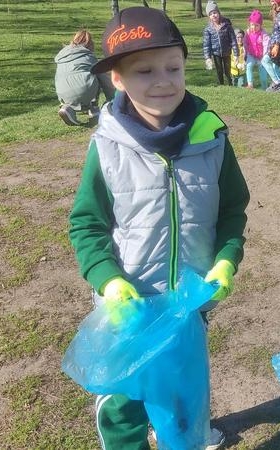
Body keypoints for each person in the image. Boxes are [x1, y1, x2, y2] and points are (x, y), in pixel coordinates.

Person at [68, 7, 249, 450]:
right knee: (125, 404)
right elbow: (86, 223)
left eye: (174, 67)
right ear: (118, 79)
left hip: (189, 303)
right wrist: (107, 280)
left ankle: (187, 436)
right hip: (128, 307)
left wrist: (225, 261)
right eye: (144, 71)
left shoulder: (212, 138)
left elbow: (233, 211)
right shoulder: (108, 147)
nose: (163, 80)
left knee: (183, 391)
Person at [54, 29, 115, 126]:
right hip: (84, 92)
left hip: (62, 92)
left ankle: (66, 107)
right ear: (89, 43)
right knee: (95, 75)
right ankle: (93, 109)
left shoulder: (61, 57)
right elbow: (104, 79)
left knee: (73, 78)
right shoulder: (89, 57)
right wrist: (111, 97)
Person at [203, 1, 239, 86]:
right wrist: (207, 57)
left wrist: (236, 54)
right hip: (216, 53)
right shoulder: (208, 29)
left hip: (227, 52)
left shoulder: (227, 25)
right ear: (209, 16)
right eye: (211, 14)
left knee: (227, 70)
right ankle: (221, 85)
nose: (214, 15)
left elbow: (233, 40)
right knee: (219, 70)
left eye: (215, 12)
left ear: (218, 13)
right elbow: (206, 45)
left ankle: (230, 84)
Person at [244, 9, 269, 90]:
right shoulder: (248, 32)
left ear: (260, 25)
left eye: (256, 25)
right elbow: (245, 43)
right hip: (251, 54)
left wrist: (264, 55)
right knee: (249, 65)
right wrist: (247, 52)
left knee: (263, 73)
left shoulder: (263, 33)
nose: (254, 27)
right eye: (252, 25)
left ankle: (264, 88)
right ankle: (250, 84)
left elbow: (266, 44)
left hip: (261, 56)